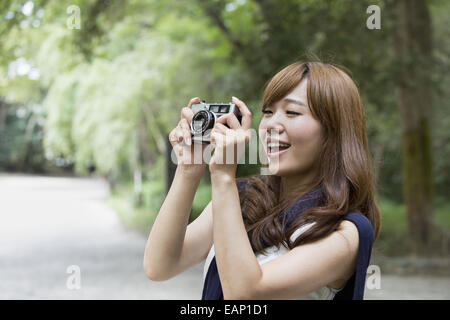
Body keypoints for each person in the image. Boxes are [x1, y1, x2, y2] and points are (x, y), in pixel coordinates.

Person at [143, 61, 381, 300]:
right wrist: (189, 169)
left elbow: (245, 292)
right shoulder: (245, 199)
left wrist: (223, 176)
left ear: (334, 131)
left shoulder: (346, 233)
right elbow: (160, 266)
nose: (271, 125)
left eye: (292, 112)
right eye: (268, 112)